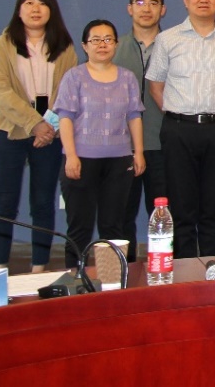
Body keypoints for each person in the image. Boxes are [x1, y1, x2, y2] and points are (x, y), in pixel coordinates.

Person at [148, 0, 215, 259]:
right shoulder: (167, 39)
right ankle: (184, 271)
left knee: (212, 207)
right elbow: (156, 86)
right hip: (179, 129)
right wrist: (179, 114)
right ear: (185, 0)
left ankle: (213, 268)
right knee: (181, 207)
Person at [0, 0, 77, 271]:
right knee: (4, 203)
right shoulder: (3, 44)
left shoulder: (65, 46)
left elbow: (69, 92)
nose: (35, 9)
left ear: (52, 10)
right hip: (9, 130)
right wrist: (33, 123)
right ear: (19, 10)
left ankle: (39, 268)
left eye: (42, 3)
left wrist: (48, 126)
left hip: (50, 134)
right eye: (28, 3)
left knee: (43, 203)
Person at [54, 19, 146, 267]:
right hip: (81, 160)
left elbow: (134, 117)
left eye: (108, 39)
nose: (102, 45)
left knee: (113, 226)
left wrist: (138, 152)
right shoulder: (74, 77)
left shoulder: (127, 78)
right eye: (95, 40)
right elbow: (65, 118)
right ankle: (75, 277)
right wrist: (71, 156)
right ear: (85, 46)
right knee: (79, 226)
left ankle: (113, 279)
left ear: (116, 44)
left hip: (119, 161)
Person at [114, 0, 167, 263]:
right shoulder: (113, 47)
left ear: (163, 9)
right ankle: (126, 272)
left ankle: (166, 273)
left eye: (154, 3)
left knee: (164, 216)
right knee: (121, 216)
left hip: (163, 143)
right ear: (129, 8)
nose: (147, 9)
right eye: (140, 2)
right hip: (121, 146)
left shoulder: (174, 45)